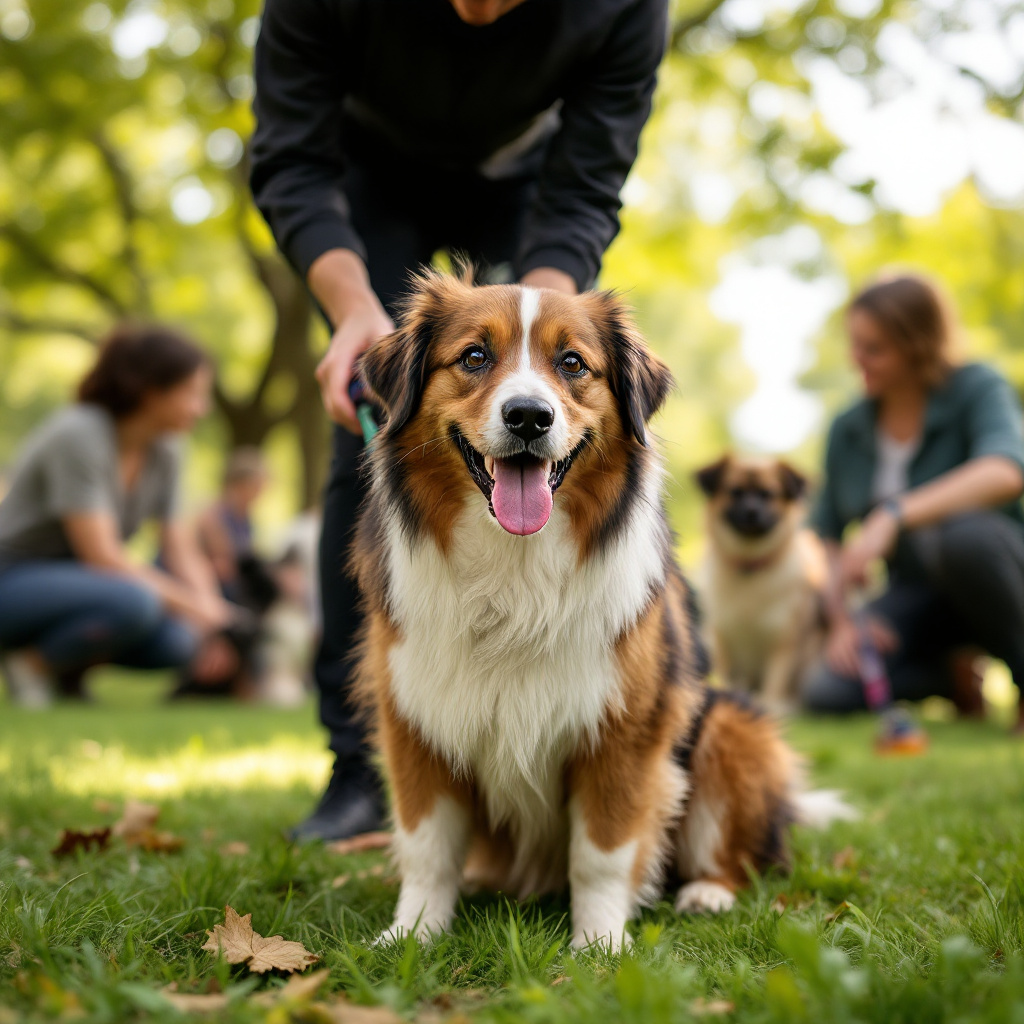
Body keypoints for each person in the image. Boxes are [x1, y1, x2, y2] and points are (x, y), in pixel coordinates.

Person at [250, 0, 669, 839]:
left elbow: (586, 180)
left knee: (544, 392)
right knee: (368, 434)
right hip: (365, 167)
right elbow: (291, 159)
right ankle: (360, 767)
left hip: (531, 180)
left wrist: (538, 342)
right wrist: (352, 312)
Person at [804, 274, 1024, 730]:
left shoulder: (976, 387)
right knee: (827, 690)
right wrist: (843, 621)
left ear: (919, 344)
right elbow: (822, 535)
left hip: (997, 577)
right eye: (855, 344)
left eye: (874, 348)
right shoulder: (848, 427)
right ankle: (951, 677)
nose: (857, 359)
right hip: (918, 596)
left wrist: (894, 514)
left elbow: (1006, 470)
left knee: (965, 537)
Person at [0, 323, 237, 706]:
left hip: (88, 587)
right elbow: (103, 556)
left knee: (178, 643)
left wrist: (215, 622)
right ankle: (29, 665)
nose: (201, 408)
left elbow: (180, 547)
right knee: (135, 603)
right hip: (14, 578)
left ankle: (67, 676)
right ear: (151, 392)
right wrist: (199, 609)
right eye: (192, 394)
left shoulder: (169, 450)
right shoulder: (80, 434)